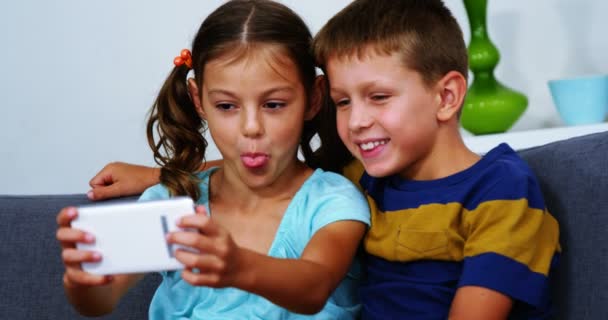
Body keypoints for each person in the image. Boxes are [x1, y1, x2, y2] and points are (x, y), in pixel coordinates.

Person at [86, 0, 561, 319]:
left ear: (447, 96)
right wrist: (162, 176)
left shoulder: (500, 189)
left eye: (377, 96)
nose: (355, 121)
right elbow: (263, 165)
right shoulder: (367, 176)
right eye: (345, 101)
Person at [56, 1, 370, 319]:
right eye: (226, 106)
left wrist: (239, 266)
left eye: (274, 104)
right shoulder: (172, 203)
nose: (251, 127)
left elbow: (313, 288)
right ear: (198, 100)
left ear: (314, 98)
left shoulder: (332, 201)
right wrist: (83, 282)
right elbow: (101, 301)